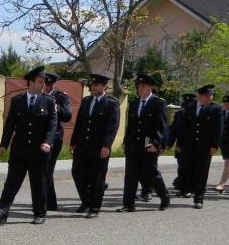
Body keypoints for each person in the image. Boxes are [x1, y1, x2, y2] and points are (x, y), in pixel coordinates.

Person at [0, 66, 57, 225]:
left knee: (39, 183)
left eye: (44, 82)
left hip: (39, 151)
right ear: (31, 82)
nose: (43, 84)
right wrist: (4, 144)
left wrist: (47, 142)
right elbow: (10, 124)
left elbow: (52, 124)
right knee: (11, 182)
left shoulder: (49, 101)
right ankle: (2, 211)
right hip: (19, 149)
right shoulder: (17, 100)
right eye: (40, 81)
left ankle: (39, 213)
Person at [117, 72, 171, 212]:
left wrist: (156, 143)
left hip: (149, 145)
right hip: (133, 144)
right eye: (139, 86)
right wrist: (125, 141)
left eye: (143, 86)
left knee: (152, 173)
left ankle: (165, 197)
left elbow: (162, 126)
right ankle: (128, 204)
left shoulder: (159, 103)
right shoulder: (134, 103)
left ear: (151, 87)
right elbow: (130, 125)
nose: (140, 88)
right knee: (131, 175)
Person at [69, 73, 119, 218]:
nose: (93, 87)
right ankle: (86, 200)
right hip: (82, 145)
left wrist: (106, 145)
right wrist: (73, 143)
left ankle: (94, 208)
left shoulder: (111, 103)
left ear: (104, 86)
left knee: (97, 177)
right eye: (92, 84)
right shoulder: (86, 101)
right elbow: (79, 123)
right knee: (77, 172)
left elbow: (112, 126)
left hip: (99, 146)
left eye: (97, 85)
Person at [178, 84, 222, 209]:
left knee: (201, 172)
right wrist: (180, 143)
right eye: (206, 96)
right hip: (189, 145)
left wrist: (214, 145)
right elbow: (183, 127)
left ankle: (199, 198)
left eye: (210, 96)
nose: (209, 98)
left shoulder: (216, 109)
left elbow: (218, 129)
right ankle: (190, 188)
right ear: (200, 96)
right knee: (186, 169)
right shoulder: (190, 107)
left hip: (205, 146)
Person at [42, 72, 72, 211]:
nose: (46, 86)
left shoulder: (61, 96)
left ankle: (48, 202)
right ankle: (49, 202)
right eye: (45, 83)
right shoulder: (40, 94)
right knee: (43, 170)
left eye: (49, 83)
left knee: (48, 169)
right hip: (42, 138)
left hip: (55, 137)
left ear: (54, 83)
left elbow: (67, 115)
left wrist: (55, 106)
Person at [168, 93, 196, 197]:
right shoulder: (179, 114)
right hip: (180, 146)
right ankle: (183, 189)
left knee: (190, 169)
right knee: (182, 168)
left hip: (193, 146)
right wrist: (169, 144)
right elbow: (173, 130)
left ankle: (190, 189)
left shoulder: (197, 115)